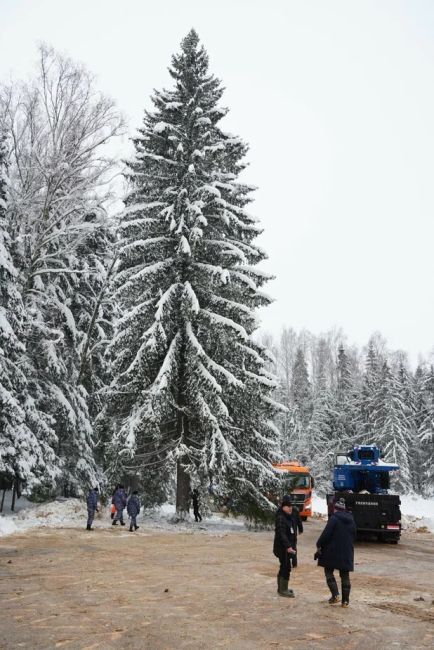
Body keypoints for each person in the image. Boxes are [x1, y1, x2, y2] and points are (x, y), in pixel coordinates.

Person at [315, 497, 356, 608]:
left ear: (336, 509)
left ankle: (335, 595)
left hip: (332, 551)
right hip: (346, 552)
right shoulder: (351, 519)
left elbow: (326, 535)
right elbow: (354, 536)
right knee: (345, 575)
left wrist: (318, 544)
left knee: (328, 571)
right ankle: (345, 601)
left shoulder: (334, 519)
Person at [273, 495, 297, 597]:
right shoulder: (281, 518)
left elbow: (292, 533)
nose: (290, 508)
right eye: (287, 506)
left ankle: (282, 588)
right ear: (283, 507)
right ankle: (283, 589)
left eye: (291, 506)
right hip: (282, 548)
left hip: (288, 548)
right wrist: (288, 546)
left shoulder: (289, 517)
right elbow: (281, 534)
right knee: (286, 567)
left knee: (285, 566)